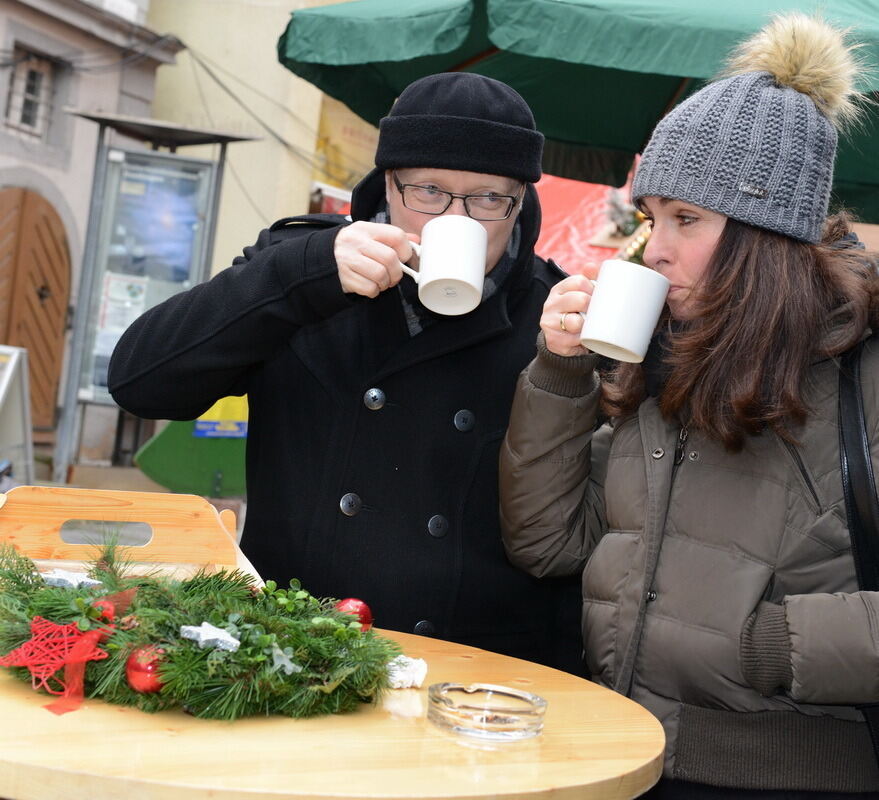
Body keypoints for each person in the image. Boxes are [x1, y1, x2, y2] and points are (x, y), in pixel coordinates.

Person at [499, 13, 879, 798]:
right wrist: (561, 374)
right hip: (623, 761)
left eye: (686, 220)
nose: (654, 248)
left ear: (764, 233)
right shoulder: (668, 366)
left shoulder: (859, 374)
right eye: (650, 218)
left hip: (791, 779)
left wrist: (775, 648)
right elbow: (547, 543)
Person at [108, 72, 582, 672]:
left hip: (469, 680)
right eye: (429, 190)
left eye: (489, 198)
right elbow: (139, 381)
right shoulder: (304, 271)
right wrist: (299, 277)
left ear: (519, 202)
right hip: (293, 662)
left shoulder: (554, 316)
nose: (453, 218)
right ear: (389, 183)